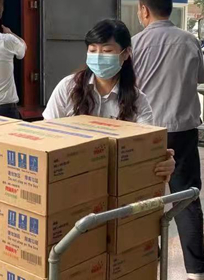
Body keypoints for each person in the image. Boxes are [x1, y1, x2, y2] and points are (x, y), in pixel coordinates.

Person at [132, 0, 204, 280]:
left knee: (144, 195)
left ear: (144, 10)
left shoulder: (135, 44)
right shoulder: (189, 41)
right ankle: (196, 266)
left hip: (144, 132)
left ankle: (149, 257)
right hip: (182, 130)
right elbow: (197, 80)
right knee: (186, 195)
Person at [42, 18, 175, 180]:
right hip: (72, 175)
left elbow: (147, 146)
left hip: (117, 178)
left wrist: (163, 160)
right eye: (92, 50)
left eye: (107, 51)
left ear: (125, 53)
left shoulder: (137, 100)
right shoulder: (68, 87)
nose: (98, 57)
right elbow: (47, 134)